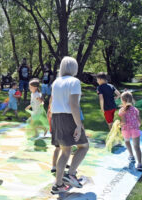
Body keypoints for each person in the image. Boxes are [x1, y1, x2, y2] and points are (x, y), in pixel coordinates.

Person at [51, 57, 89, 194]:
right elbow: (74, 105)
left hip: (56, 117)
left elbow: (52, 103)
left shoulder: (56, 82)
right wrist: (79, 125)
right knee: (84, 146)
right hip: (68, 117)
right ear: (74, 67)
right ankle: (71, 174)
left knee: (65, 151)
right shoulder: (75, 81)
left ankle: (58, 185)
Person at [119, 92, 142, 171]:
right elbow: (139, 121)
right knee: (137, 147)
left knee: (127, 141)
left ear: (123, 100)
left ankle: (131, 156)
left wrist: (118, 124)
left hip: (126, 130)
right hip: (135, 129)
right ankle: (139, 164)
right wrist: (137, 125)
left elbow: (124, 122)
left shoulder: (122, 110)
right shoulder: (135, 110)